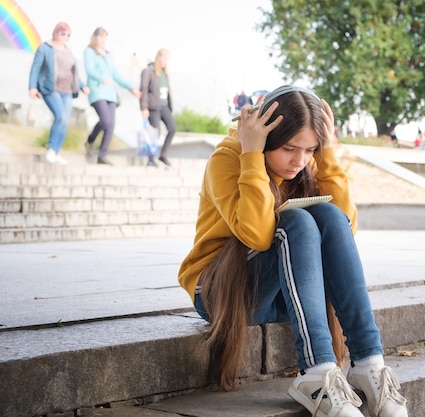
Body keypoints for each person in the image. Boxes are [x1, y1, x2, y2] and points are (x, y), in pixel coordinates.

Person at [178, 85, 408, 417]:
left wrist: (326, 155)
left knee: (330, 214)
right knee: (296, 221)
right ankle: (316, 374)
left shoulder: (306, 163)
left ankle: (368, 363)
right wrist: (252, 155)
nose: (299, 161)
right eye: (289, 148)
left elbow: (346, 229)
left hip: (287, 297)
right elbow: (256, 235)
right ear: (267, 137)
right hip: (224, 293)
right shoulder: (226, 160)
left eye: (310, 149)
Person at [28, 22, 89, 165]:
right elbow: (35, 67)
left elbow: (73, 72)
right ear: (55, 33)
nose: (65, 37)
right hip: (50, 88)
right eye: (63, 34)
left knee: (66, 120)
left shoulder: (69, 51)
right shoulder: (45, 48)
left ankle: (56, 151)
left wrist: (82, 85)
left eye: (68, 35)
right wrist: (32, 86)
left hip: (67, 90)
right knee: (60, 116)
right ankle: (51, 149)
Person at [83, 27, 141, 165]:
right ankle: (90, 140)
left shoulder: (108, 55)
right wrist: (101, 78)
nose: (102, 40)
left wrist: (131, 88)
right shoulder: (89, 52)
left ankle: (102, 155)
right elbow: (89, 70)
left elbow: (116, 74)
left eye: (104, 37)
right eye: (100, 36)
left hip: (110, 94)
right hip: (97, 92)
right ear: (95, 37)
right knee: (105, 120)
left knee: (110, 125)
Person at [140, 48, 176, 167]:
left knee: (172, 128)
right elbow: (144, 89)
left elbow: (168, 92)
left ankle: (163, 154)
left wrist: (170, 107)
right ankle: (151, 159)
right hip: (153, 106)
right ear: (158, 58)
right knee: (155, 132)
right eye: (164, 59)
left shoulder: (165, 74)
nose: (165, 62)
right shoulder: (148, 71)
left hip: (164, 106)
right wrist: (144, 108)